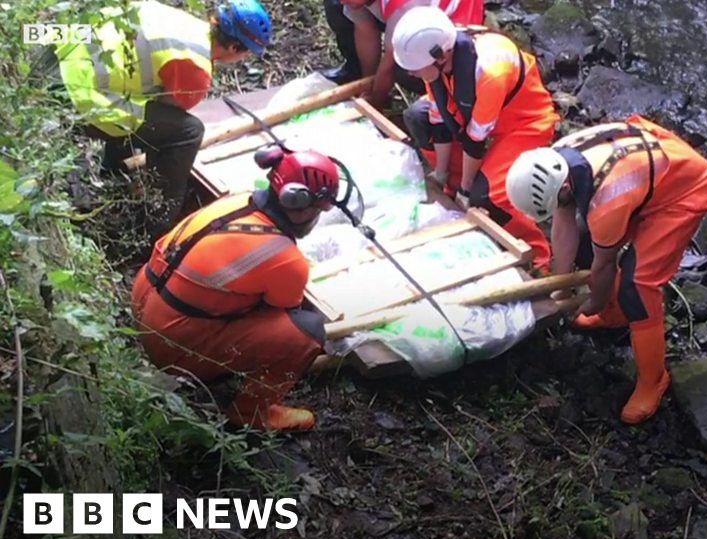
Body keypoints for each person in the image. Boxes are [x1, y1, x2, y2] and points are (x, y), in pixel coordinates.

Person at [506, 116, 707, 424]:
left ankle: (653, 380)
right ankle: (613, 317)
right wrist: (560, 290)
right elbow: (564, 224)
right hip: (650, 173)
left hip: (684, 190)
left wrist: (595, 300)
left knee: (639, 285)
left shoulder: (608, 200)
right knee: (585, 241)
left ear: (563, 186)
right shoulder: (559, 160)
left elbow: (604, 264)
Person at [131, 149, 341, 431]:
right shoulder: (286, 258)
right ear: (300, 205)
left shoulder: (238, 201)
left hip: (144, 302)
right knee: (304, 330)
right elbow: (278, 313)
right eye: (318, 210)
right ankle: (252, 412)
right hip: (169, 345)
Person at [53, 0, 273, 235]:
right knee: (187, 133)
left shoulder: (180, 21)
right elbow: (165, 117)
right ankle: (156, 224)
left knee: (141, 105)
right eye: (247, 52)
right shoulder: (195, 66)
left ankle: (114, 168)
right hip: (76, 92)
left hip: (57, 50)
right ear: (234, 48)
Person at [394, 6, 559, 271]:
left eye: (415, 68)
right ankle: (456, 190)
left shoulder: (490, 72)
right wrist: (441, 174)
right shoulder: (436, 58)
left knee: (488, 194)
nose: (411, 74)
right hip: (476, 116)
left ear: (440, 56)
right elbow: (439, 122)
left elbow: (475, 140)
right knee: (418, 116)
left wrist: (468, 190)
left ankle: (538, 256)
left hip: (523, 123)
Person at [320, 0, 484, 106]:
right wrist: (367, 83)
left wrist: (374, 102)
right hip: (408, 17)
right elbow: (365, 31)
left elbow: (389, 66)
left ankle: (441, 98)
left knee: (404, 66)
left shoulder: (407, 8)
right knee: (336, 6)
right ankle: (357, 75)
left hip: (449, 40)